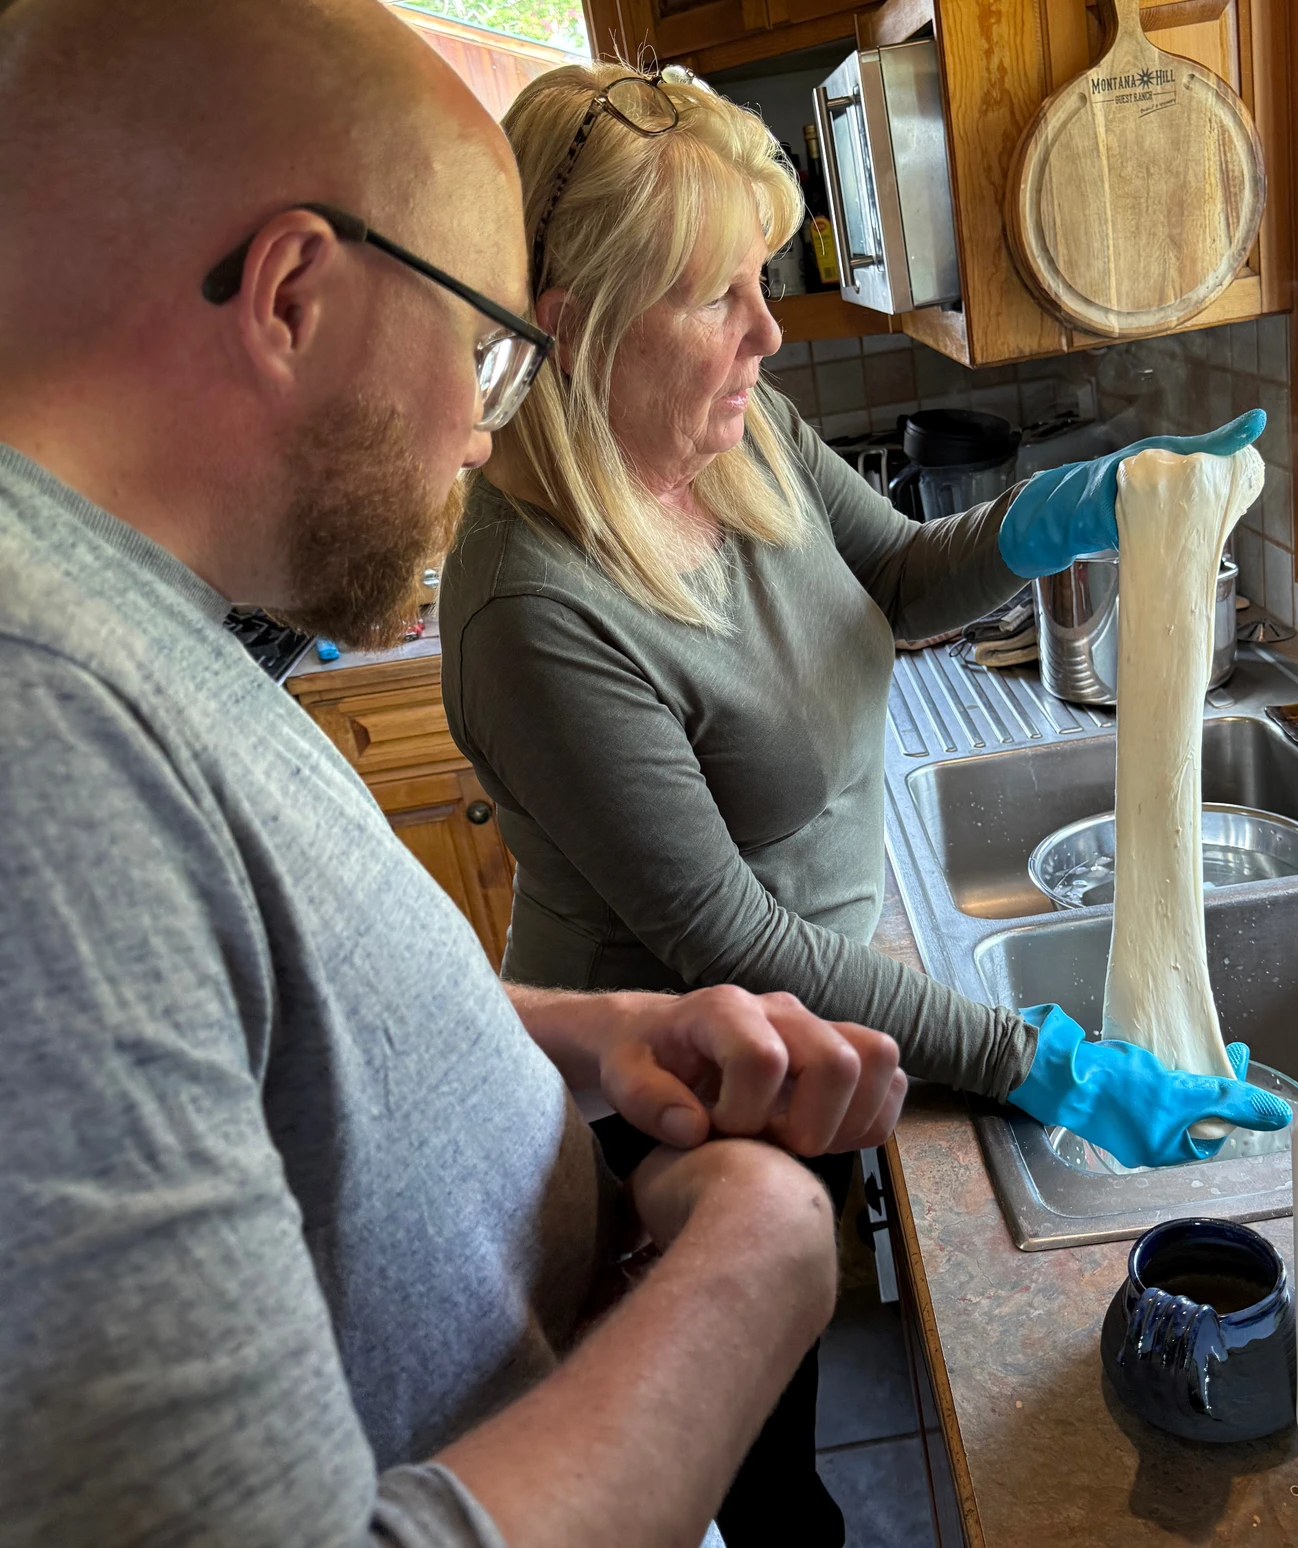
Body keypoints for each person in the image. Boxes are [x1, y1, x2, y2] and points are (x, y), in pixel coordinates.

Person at [0, 4, 908, 1545]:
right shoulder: (37, 735)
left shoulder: (119, 627)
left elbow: (245, 1024)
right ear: (294, 293)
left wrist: (570, 1030)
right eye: (489, 349)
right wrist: (752, 1263)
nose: (487, 435)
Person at [438, 61, 1295, 1546]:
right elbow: (721, 929)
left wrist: (1063, 511)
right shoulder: (534, 606)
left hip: (816, 1038)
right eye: (717, 295)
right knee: (757, 1493)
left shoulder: (737, 429)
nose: (768, 334)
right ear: (569, 323)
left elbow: (892, 580)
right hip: (674, 1101)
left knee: (796, 1436)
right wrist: (1047, 1062)